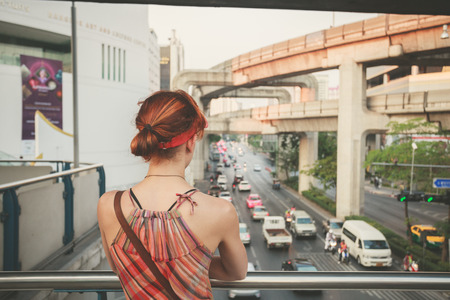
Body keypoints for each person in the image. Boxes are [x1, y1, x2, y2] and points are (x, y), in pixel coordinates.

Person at [97, 90, 247, 299]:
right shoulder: (221, 211)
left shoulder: (108, 204)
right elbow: (236, 272)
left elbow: (116, 266)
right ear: (190, 142)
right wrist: (191, 260)